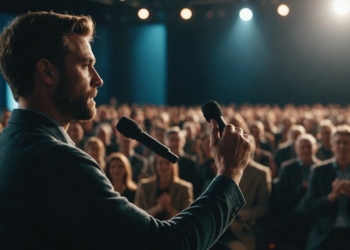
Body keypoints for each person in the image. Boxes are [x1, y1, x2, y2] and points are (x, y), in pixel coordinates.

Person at [0, 11, 250, 249]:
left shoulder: (8, 142)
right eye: (86, 65)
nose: (98, 79)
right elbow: (169, 244)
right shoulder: (58, 161)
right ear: (47, 72)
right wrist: (229, 173)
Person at [305, 125, 350, 250]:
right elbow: (309, 205)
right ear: (332, 145)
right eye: (338, 142)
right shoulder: (319, 171)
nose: (342, 146)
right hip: (325, 233)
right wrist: (331, 197)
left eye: (346, 143)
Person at [274, 134, 320, 250]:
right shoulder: (287, 168)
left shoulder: (321, 168)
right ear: (296, 150)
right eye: (302, 147)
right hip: (292, 216)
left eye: (309, 147)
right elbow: (281, 198)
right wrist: (301, 188)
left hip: (315, 218)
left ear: (315, 148)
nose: (306, 150)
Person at [135, 154, 193, 220]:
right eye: (160, 163)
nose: (164, 167)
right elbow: (137, 214)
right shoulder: (144, 186)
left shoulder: (184, 188)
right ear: (155, 165)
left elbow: (187, 219)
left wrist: (169, 208)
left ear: (173, 166)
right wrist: (158, 208)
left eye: (167, 163)